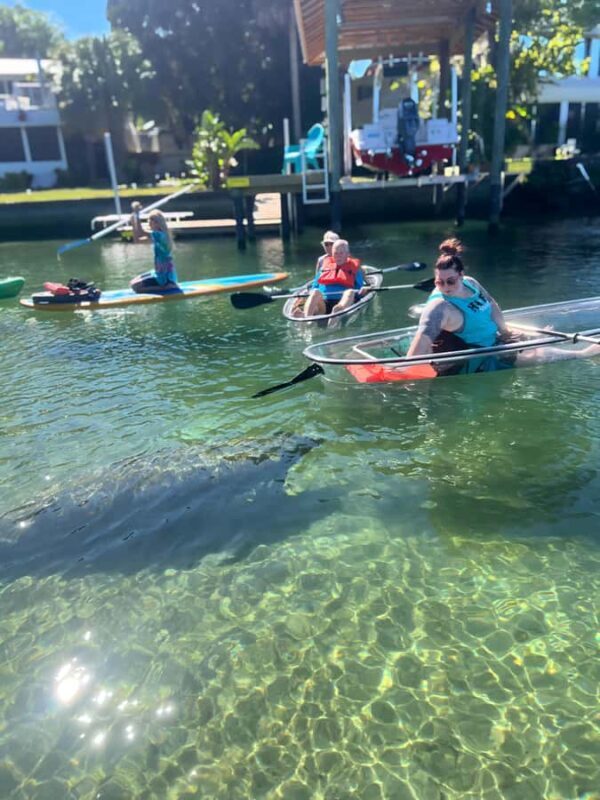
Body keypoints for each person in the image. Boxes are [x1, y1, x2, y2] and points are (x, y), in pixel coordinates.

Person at [407, 238, 600, 375]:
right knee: (538, 354)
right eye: (439, 282)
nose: (445, 287)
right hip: (484, 355)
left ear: (461, 275)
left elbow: (491, 304)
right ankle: (582, 354)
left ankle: (536, 340)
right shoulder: (439, 307)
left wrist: (504, 331)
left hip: (495, 338)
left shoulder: (470, 283)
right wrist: (404, 369)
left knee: (537, 335)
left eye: (451, 281)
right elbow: (422, 338)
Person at [302, 239, 368, 318]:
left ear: (347, 254)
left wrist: (364, 290)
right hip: (324, 303)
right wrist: (310, 293)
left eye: (341, 253)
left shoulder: (354, 269)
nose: (338, 256)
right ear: (332, 254)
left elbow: (359, 290)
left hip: (343, 302)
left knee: (350, 292)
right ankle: (307, 319)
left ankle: (337, 313)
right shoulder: (324, 268)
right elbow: (314, 287)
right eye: (336, 253)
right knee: (315, 292)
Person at [290, 230, 339, 317]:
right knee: (314, 294)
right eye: (326, 244)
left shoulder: (344, 258)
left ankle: (308, 314)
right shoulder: (321, 260)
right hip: (322, 294)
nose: (328, 247)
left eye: (331, 244)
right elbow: (317, 279)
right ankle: (306, 316)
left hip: (337, 294)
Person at [130, 210, 179, 294]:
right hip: (158, 272)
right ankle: (166, 285)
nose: (149, 224)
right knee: (133, 283)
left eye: (150, 222)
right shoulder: (157, 236)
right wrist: (133, 223)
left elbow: (141, 232)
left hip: (164, 275)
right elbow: (137, 240)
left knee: (136, 287)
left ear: (157, 223)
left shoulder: (159, 235)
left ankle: (166, 287)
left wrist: (136, 215)